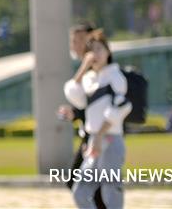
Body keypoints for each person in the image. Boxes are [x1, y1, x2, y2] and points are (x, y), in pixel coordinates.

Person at [64, 29, 131, 209]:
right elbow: (73, 94)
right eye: (91, 50)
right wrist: (84, 67)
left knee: (111, 194)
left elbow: (121, 107)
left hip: (110, 139)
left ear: (108, 52)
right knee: (80, 192)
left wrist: (99, 136)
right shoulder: (90, 79)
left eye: (99, 49)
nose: (95, 54)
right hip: (96, 141)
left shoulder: (115, 77)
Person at [56, 21, 106, 209]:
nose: (73, 45)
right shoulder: (92, 68)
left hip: (99, 135)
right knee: (94, 187)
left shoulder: (95, 67)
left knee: (83, 184)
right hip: (94, 134)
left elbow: (80, 93)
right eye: (72, 40)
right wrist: (75, 113)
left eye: (78, 40)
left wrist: (85, 66)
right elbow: (90, 103)